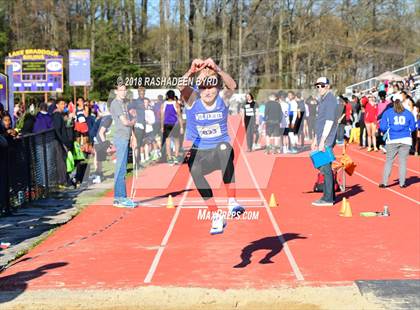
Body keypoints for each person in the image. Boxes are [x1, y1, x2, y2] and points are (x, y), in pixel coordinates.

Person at [179, 58, 245, 234]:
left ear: (217, 87)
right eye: (203, 87)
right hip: (202, 153)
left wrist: (217, 68)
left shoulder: (222, 99)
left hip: (220, 151)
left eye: (211, 86)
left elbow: (232, 85)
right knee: (193, 166)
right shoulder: (193, 100)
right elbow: (180, 86)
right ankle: (216, 215)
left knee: (224, 148)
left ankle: (232, 202)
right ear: (198, 89)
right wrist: (191, 71)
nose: (207, 90)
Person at [311, 77, 339, 207]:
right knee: (322, 165)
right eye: (317, 86)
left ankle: (328, 198)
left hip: (327, 137)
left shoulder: (330, 100)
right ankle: (329, 195)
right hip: (322, 136)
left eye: (321, 85)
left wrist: (322, 140)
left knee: (326, 168)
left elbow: (329, 121)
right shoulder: (322, 100)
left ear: (327, 86)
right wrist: (315, 139)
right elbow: (319, 121)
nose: (319, 88)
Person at [110, 84, 137, 208]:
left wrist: (133, 136)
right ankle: (120, 197)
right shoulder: (116, 104)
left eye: (124, 90)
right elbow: (125, 122)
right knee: (120, 169)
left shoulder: (124, 104)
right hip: (120, 138)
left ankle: (119, 198)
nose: (123, 92)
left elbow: (129, 123)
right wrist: (134, 121)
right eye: (121, 90)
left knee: (123, 168)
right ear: (116, 91)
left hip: (126, 137)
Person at [379, 99, 416, 188]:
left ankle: (384, 182)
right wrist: (407, 130)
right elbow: (413, 127)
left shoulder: (388, 113)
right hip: (406, 139)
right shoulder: (408, 113)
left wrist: (388, 129)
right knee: (403, 162)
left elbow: (382, 127)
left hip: (393, 139)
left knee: (389, 161)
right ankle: (402, 183)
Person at [52, 99, 73, 188]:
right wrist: (63, 142)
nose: (63, 105)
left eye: (64, 103)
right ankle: (63, 181)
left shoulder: (60, 115)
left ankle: (64, 179)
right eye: (61, 104)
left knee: (63, 160)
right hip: (59, 141)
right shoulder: (56, 115)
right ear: (57, 105)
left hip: (61, 140)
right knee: (61, 161)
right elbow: (57, 130)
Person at [161, 90, 183, 164]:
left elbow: (162, 117)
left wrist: (161, 127)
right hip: (175, 124)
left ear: (167, 96)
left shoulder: (163, 104)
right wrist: (181, 127)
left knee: (168, 141)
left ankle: (170, 158)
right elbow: (179, 116)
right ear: (173, 96)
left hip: (167, 124)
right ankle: (176, 156)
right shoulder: (176, 104)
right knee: (177, 140)